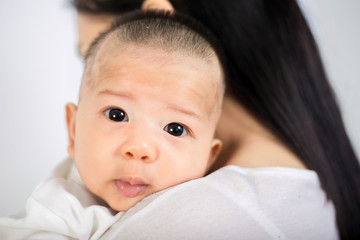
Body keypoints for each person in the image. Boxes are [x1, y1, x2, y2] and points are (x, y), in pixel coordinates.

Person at [71, 0, 360, 239]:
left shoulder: (216, 216)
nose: (139, 148)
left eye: (92, 51)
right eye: (117, 114)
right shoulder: (288, 181)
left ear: (157, 18)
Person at [0, 10, 224, 239]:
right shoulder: (61, 213)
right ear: (74, 130)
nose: (139, 148)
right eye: (117, 115)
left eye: (175, 129)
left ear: (209, 157)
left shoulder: (221, 209)